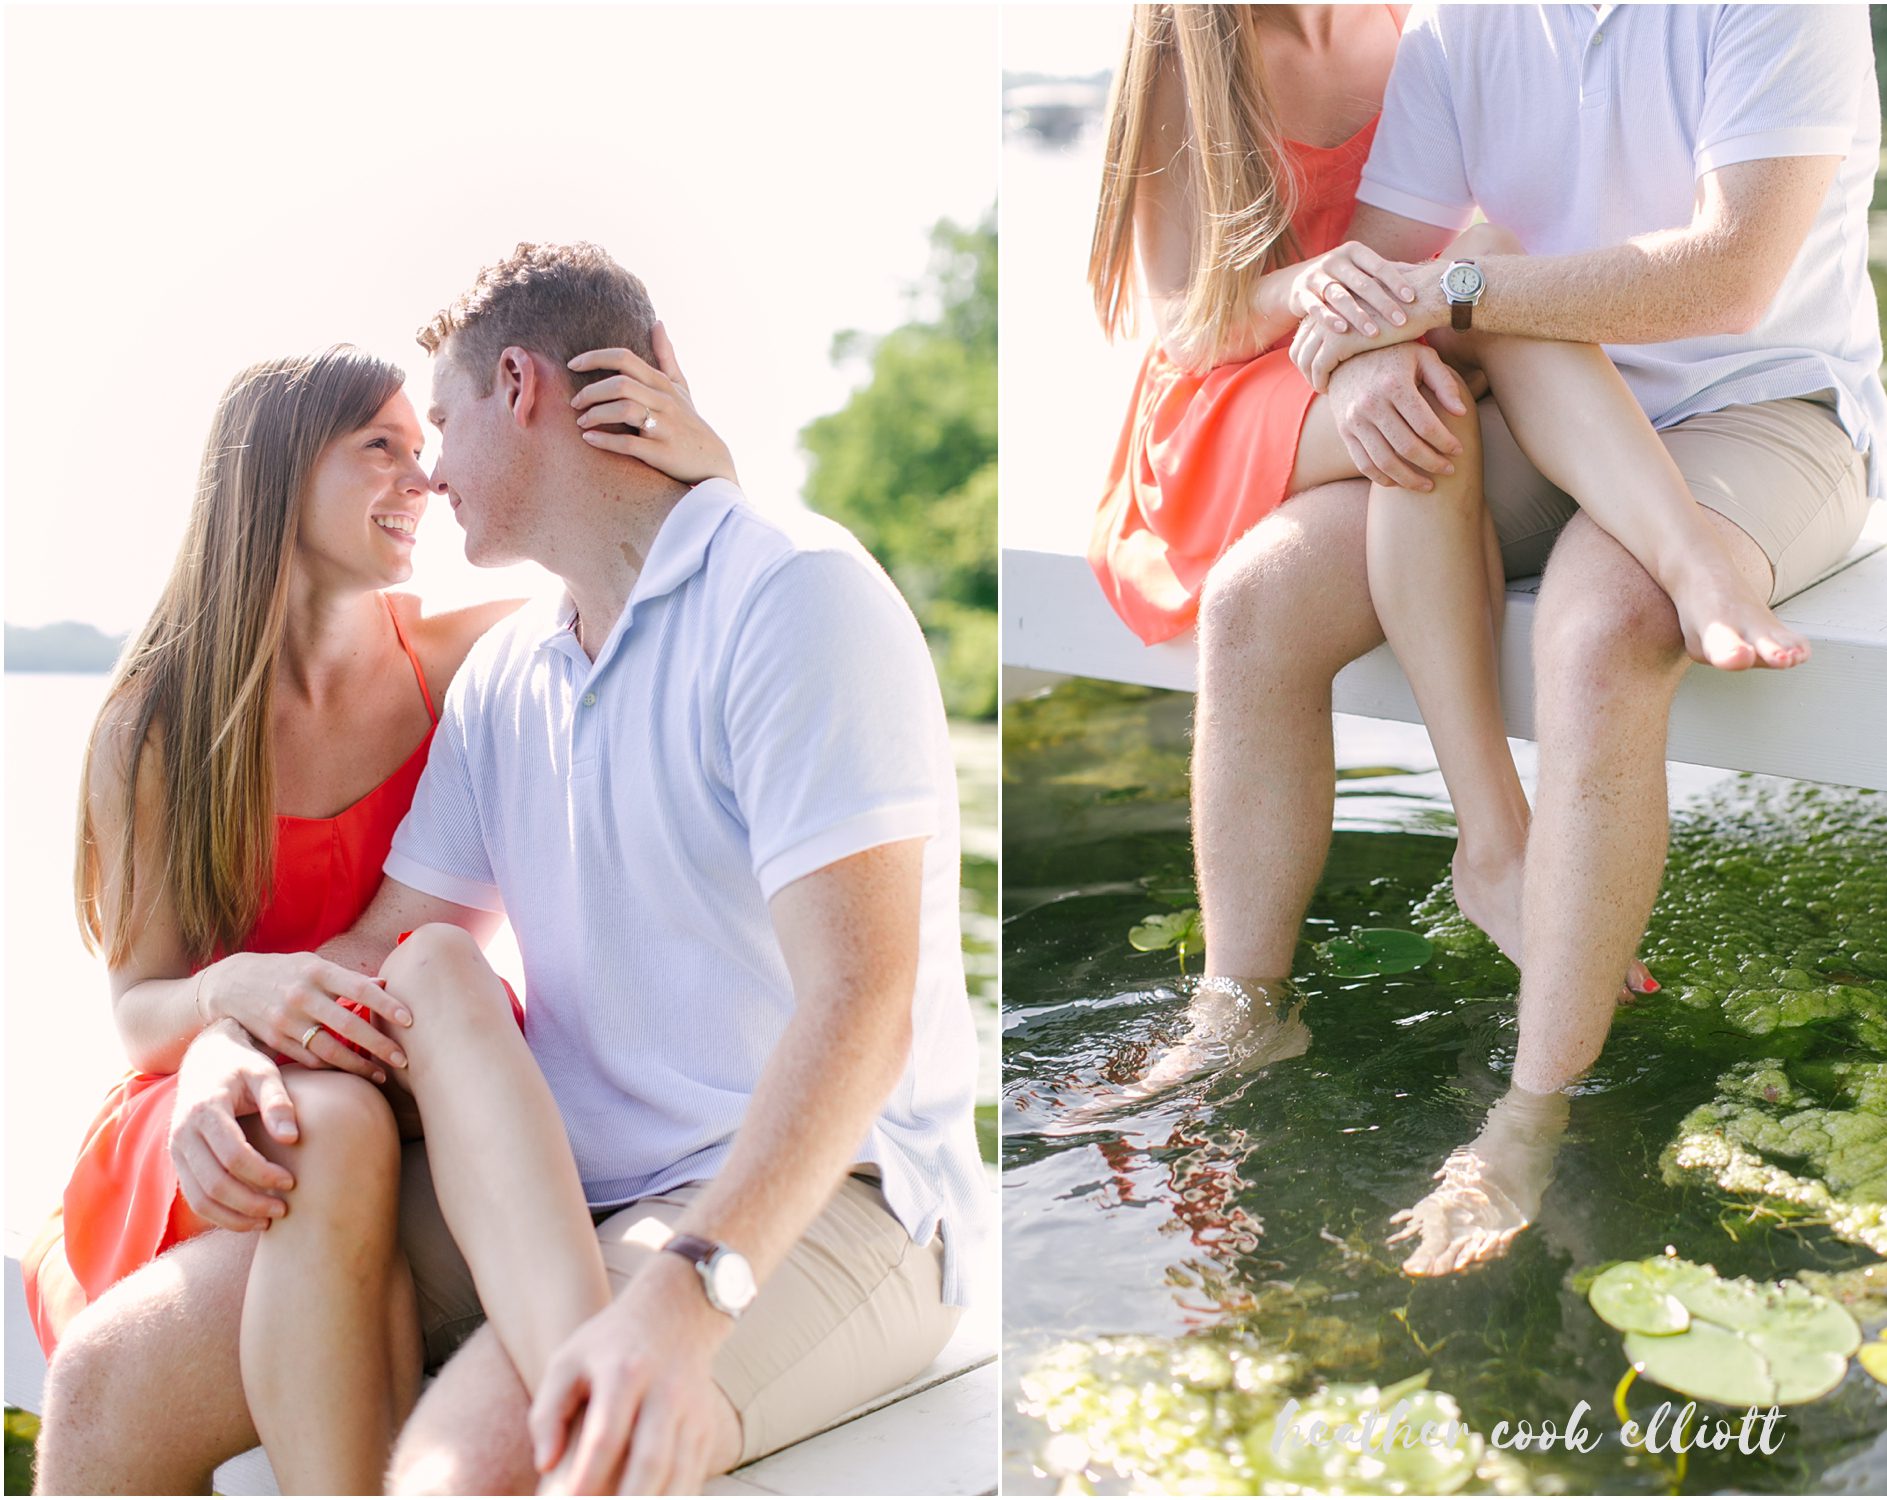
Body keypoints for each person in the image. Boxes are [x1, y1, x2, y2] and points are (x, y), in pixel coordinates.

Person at [150, 242, 984, 1496]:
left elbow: (860, 1007)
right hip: (567, 1194)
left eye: (440, 421)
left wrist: (686, 1296)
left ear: (522, 388)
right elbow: (388, 950)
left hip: (829, 1198)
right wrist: (221, 1037)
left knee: (455, 1472)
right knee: (118, 1375)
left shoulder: (794, 599)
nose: (428, 470)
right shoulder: (503, 679)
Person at [1273, 3, 1887, 1273]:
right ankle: (1260, 989)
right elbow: (1384, 275)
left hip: (1760, 407)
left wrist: (1445, 293)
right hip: (1538, 391)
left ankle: (1528, 1113)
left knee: (1605, 622)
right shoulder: (1461, 29)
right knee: (1264, 585)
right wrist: (1365, 367)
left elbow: (1728, 275)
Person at [1088, 0, 1795, 1065]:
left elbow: (1452, 254)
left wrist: (1395, 321)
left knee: (1482, 280)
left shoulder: (1416, 24)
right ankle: (1265, 989)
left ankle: (1499, 833)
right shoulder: (1193, 45)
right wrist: (1320, 299)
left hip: (1396, 341)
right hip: (1240, 383)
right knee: (1438, 371)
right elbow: (1185, 320)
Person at [25, 344, 640, 1493]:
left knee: (351, 1119)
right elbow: (137, 1010)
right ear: (273, 474)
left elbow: (660, 572)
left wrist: (677, 444)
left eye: (424, 450)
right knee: (329, 1129)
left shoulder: (468, 660)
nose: (425, 480)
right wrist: (229, 998)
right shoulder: (156, 725)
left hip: (414, 1080)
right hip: (215, 1099)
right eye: (381, 449)